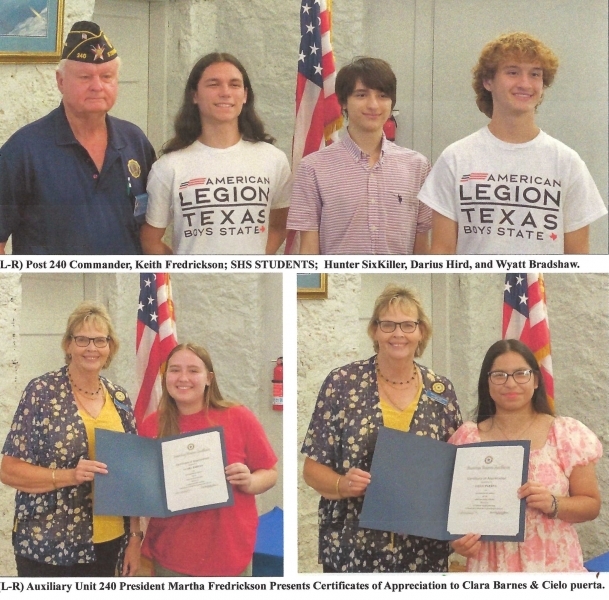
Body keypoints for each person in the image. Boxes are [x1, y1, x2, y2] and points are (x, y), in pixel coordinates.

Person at [301, 285, 462, 572]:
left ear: (421, 332)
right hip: (354, 544)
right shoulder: (342, 383)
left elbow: (457, 468)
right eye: (387, 324)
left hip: (422, 546)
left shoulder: (441, 390)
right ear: (375, 331)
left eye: (408, 325)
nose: (398, 333)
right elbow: (312, 470)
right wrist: (342, 485)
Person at [419, 32, 607, 254]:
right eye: (513, 72)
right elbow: (441, 253)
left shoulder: (567, 163)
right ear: (488, 81)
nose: (525, 84)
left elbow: (577, 260)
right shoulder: (456, 158)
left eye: (535, 74)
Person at [0, 303, 142, 576]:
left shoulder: (120, 398)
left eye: (100, 340)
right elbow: (9, 471)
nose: (92, 348)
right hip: (49, 543)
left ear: (110, 347)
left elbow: (131, 475)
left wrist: (134, 537)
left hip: (109, 540)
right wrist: (69, 476)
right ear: (68, 345)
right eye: (82, 339)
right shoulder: (41, 392)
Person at [0, 21, 155, 255]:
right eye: (85, 77)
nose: (97, 86)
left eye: (107, 76)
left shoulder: (135, 141)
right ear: (60, 81)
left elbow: (152, 228)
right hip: (50, 288)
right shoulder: (23, 151)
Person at [450, 339, 602, 571]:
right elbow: (450, 509)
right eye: (499, 375)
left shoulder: (565, 433)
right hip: (490, 566)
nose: (510, 383)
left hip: (552, 565)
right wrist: (457, 540)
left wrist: (553, 503)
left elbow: (591, 506)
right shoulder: (467, 438)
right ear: (487, 383)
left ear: (536, 380)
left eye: (521, 373)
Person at [138, 343, 278, 576]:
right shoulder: (151, 425)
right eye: (174, 370)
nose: (183, 378)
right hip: (171, 554)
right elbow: (141, 491)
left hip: (229, 553)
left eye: (193, 370)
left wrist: (250, 481)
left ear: (208, 378)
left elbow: (270, 472)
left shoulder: (238, 416)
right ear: (165, 377)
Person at [141, 53, 291, 255]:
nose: (225, 92)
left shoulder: (273, 159)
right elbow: (150, 240)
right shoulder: (169, 166)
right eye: (213, 84)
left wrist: (255, 264)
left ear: (245, 95)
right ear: (194, 95)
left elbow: (279, 226)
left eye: (234, 84)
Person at [287, 57, 432, 255]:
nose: (373, 105)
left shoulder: (417, 166)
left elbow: (421, 247)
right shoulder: (313, 168)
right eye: (361, 95)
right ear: (343, 102)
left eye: (382, 96)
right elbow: (309, 252)